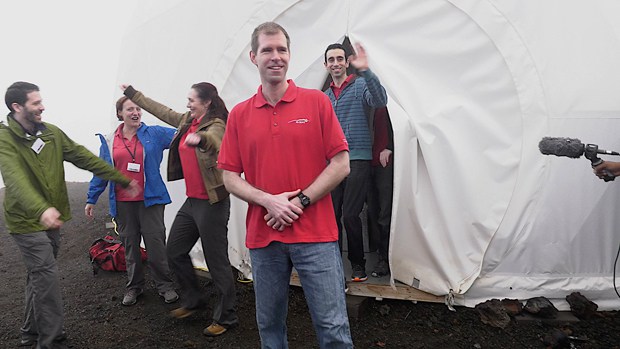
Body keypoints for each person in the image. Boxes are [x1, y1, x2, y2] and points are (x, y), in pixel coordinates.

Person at [218, 22, 353, 348]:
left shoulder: (316, 103)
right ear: (254, 56)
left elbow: (341, 164)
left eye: (281, 49)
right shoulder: (239, 115)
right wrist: (269, 201)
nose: (275, 57)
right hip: (265, 240)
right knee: (270, 327)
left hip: (316, 236)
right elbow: (228, 176)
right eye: (267, 50)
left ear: (289, 55)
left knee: (333, 328)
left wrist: (299, 202)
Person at [0, 81, 138, 349]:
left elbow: (83, 157)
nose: (42, 106)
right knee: (46, 275)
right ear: (17, 107)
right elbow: (15, 179)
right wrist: (42, 209)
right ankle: (52, 341)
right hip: (26, 221)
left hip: (52, 218)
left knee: (38, 276)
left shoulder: (51, 134)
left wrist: (119, 178)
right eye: (35, 102)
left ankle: (30, 333)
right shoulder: (5, 139)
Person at [120, 82, 237, 337]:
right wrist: (133, 94)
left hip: (212, 202)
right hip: (192, 201)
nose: (188, 104)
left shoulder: (215, 124)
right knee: (174, 251)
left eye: (192, 100)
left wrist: (201, 140)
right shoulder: (187, 120)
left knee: (216, 261)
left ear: (206, 102)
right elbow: (162, 111)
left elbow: (217, 140)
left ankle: (226, 317)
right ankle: (194, 300)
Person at [85, 96, 179, 306]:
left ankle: (164, 285)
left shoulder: (153, 133)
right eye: (130, 109)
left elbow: (182, 136)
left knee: (155, 244)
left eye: (138, 109)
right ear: (120, 114)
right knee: (130, 246)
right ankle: (134, 286)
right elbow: (101, 171)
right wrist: (91, 199)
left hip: (151, 200)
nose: (136, 113)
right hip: (122, 203)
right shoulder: (110, 141)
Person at [323, 42, 388, 282]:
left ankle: (358, 265)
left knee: (350, 215)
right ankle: (333, 266)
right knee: (331, 216)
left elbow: (380, 101)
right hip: (332, 164)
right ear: (326, 65)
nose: (336, 63)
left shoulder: (360, 85)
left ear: (347, 62)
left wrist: (367, 71)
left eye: (340, 58)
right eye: (331, 59)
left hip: (358, 159)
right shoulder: (325, 98)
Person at [366, 106, 394, 277]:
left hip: (385, 163)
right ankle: (379, 254)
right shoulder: (369, 103)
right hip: (368, 160)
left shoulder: (391, 101)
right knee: (372, 211)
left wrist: (390, 147)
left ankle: (386, 259)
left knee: (385, 212)